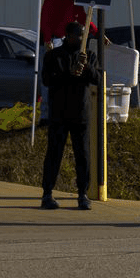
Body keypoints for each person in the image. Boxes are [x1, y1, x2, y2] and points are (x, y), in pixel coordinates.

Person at [39, 21, 97, 211]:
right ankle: (47, 193)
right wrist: (68, 74)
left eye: (82, 37)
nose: (79, 40)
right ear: (67, 36)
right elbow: (47, 80)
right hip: (59, 113)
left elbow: (98, 78)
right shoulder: (53, 56)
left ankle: (83, 194)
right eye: (76, 36)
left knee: (83, 155)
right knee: (54, 153)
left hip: (81, 113)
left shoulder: (89, 55)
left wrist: (86, 66)